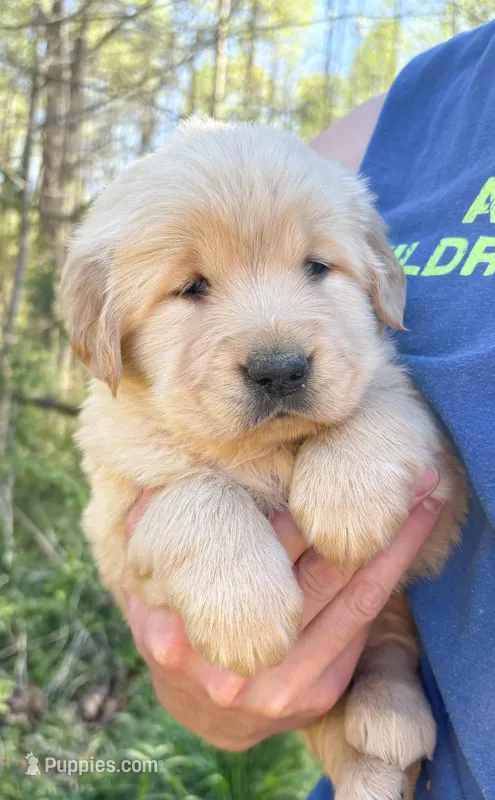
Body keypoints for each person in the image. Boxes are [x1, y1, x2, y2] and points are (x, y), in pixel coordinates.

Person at [125, 20, 495, 799]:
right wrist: (201, 684)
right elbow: (122, 519)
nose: (276, 349)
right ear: (103, 331)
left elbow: (392, 394)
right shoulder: (398, 113)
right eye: (193, 288)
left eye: (315, 267)